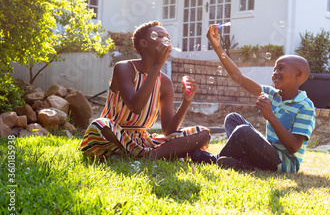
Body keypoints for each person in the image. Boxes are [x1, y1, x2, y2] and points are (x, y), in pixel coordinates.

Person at [80, 21, 210, 160]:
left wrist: (186, 101)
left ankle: (143, 156)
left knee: (202, 134)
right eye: (159, 36)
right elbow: (136, 107)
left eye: (168, 37)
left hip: (143, 141)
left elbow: (168, 130)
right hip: (114, 135)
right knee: (99, 124)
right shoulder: (124, 68)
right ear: (143, 43)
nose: (166, 40)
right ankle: (154, 155)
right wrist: (156, 66)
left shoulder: (165, 82)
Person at [204, 24, 315, 173]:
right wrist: (218, 47)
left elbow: (294, 147)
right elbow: (239, 77)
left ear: (298, 75)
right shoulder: (273, 94)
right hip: (266, 152)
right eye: (274, 68)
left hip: (283, 163)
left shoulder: (305, 106)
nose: (275, 73)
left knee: (243, 131)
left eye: (281, 68)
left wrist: (271, 117)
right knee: (233, 119)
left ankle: (215, 160)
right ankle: (246, 163)